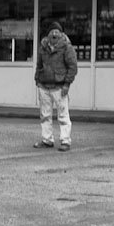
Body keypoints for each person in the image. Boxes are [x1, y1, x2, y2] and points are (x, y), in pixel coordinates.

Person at [33, 20, 77, 151]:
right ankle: (47, 140)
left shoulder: (67, 48)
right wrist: (37, 80)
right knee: (45, 115)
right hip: (44, 86)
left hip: (60, 87)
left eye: (56, 31)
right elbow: (39, 65)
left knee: (63, 115)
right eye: (51, 31)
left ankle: (65, 141)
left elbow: (73, 67)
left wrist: (67, 84)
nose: (54, 33)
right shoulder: (43, 47)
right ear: (47, 35)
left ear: (61, 33)